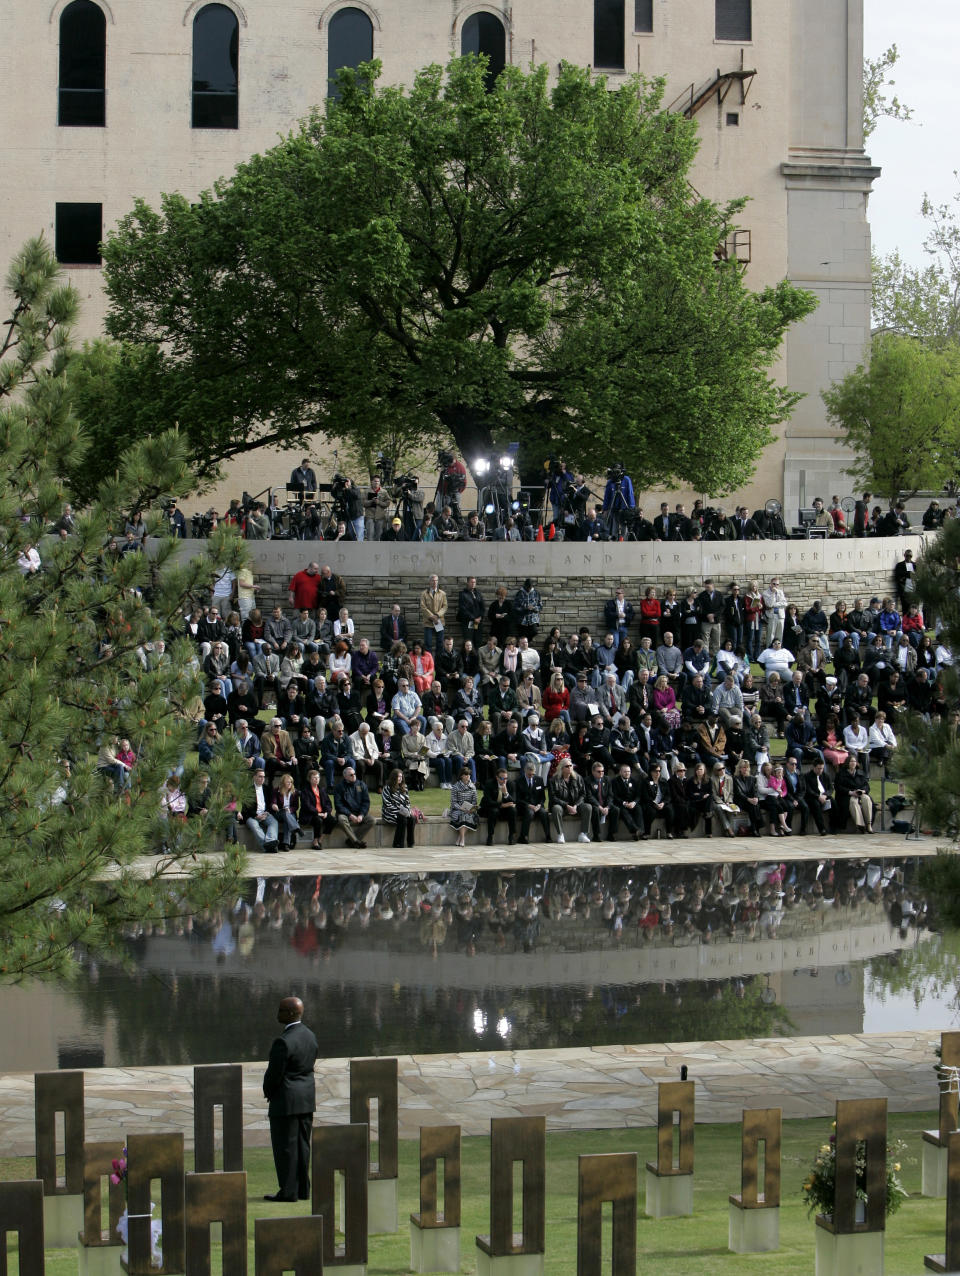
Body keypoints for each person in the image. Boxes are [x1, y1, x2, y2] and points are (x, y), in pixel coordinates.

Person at [263, 996, 318, 1203]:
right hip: (305, 1099)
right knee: (303, 1147)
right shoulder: (310, 1036)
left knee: (286, 1147)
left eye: (281, 1010)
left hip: (286, 1101)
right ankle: (303, 1189)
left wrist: (268, 1092)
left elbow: (274, 1075)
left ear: (290, 1014)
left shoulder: (283, 1042)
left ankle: (288, 1191)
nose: (278, 1013)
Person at [549, 757, 591, 844]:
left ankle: (583, 834)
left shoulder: (578, 778)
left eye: (570, 766)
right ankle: (560, 834)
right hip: (562, 806)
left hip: (576, 806)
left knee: (588, 807)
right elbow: (553, 797)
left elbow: (583, 794)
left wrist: (575, 805)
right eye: (567, 766)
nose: (569, 768)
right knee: (556, 809)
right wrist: (567, 806)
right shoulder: (554, 780)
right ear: (561, 768)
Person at [333, 765, 373, 847]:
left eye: (354, 774)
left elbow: (366, 802)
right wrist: (350, 815)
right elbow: (338, 805)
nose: (353, 776)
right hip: (345, 813)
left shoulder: (361, 785)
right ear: (345, 776)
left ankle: (351, 840)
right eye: (351, 775)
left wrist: (361, 815)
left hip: (358, 812)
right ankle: (356, 841)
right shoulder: (339, 787)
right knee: (341, 819)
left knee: (371, 820)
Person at [835, 755, 874, 833]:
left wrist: (863, 791)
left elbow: (866, 786)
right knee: (853, 801)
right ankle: (860, 825)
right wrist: (851, 792)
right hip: (847, 795)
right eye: (851, 761)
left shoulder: (860, 773)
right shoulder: (841, 774)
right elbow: (838, 787)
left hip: (860, 793)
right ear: (847, 763)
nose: (853, 763)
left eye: (854, 761)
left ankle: (869, 824)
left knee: (866, 798)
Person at [381, 768, 417, 848]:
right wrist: (399, 811)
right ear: (394, 777)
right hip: (389, 812)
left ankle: (410, 842)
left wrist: (407, 811)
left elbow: (407, 802)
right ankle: (398, 843)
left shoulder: (404, 787)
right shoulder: (387, 788)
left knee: (412, 818)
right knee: (402, 819)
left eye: (401, 776)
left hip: (403, 812)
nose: (400, 778)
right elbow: (387, 804)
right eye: (398, 777)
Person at [516, 758, 551, 843]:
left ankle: (548, 836)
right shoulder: (518, 781)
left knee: (543, 813)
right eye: (529, 775)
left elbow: (543, 797)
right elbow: (517, 799)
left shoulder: (539, 780)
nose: (531, 776)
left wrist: (539, 805)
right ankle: (523, 836)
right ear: (525, 771)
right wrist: (528, 805)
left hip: (537, 805)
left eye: (533, 774)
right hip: (525, 806)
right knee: (530, 813)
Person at [481, 766, 517, 845]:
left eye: (506, 778)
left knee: (513, 810)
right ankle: (490, 836)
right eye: (502, 778)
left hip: (504, 809)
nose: (504, 781)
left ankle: (512, 836)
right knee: (494, 811)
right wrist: (501, 805)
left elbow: (513, 801)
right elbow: (488, 801)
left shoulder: (511, 784)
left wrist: (506, 793)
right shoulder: (489, 783)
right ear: (497, 777)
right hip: (490, 807)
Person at [449, 767, 479, 847]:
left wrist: (471, 809)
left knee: (468, 815)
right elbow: (453, 802)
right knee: (462, 815)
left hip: (469, 810)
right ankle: (462, 838)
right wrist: (461, 808)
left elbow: (474, 801)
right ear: (461, 776)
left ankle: (460, 837)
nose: (468, 776)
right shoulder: (455, 787)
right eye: (466, 774)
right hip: (457, 809)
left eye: (469, 774)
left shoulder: (473, 787)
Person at [419, 574, 448, 653]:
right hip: (428, 623)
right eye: (433, 580)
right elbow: (423, 607)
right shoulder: (424, 594)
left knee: (440, 644)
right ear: (429, 582)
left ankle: (438, 664)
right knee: (428, 644)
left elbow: (445, 607)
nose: (434, 582)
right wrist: (432, 617)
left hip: (439, 622)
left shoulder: (442, 594)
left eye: (436, 580)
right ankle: (429, 664)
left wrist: (437, 615)